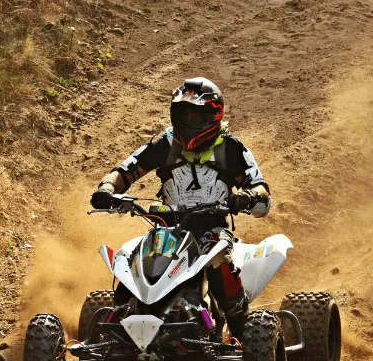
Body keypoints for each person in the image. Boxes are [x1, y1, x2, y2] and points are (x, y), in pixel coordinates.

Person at [90, 77, 270, 336]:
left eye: (195, 117)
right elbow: (125, 170)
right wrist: (107, 190)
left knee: (219, 261)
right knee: (132, 261)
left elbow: (261, 189)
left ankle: (244, 333)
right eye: (183, 115)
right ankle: (112, 334)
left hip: (212, 230)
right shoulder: (166, 143)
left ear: (213, 115)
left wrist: (247, 197)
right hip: (167, 228)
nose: (188, 123)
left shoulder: (231, 148)